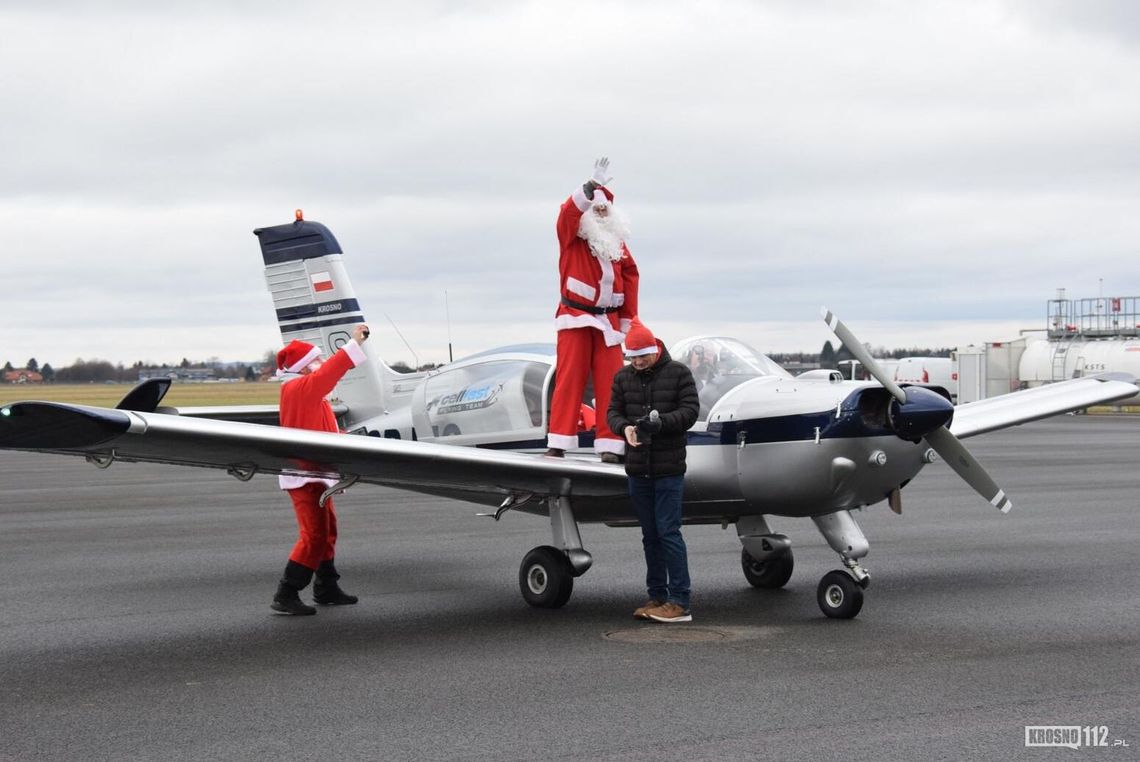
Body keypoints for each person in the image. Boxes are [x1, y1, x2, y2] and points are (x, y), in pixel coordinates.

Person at [270, 324, 370, 615]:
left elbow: (323, 427)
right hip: (304, 476)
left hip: (317, 474)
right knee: (314, 536)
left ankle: (326, 587)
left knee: (328, 531)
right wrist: (354, 343)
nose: (319, 364)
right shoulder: (299, 388)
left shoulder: (305, 390)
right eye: (314, 360)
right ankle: (286, 592)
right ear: (302, 367)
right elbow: (330, 372)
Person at [547, 157, 640, 463]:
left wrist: (628, 321)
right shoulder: (571, 239)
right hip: (575, 317)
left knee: (611, 384)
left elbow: (631, 277)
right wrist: (590, 187)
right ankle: (559, 441)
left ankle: (610, 444)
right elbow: (567, 214)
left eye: (604, 208)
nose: (600, 212)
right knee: (570, 378)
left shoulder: (617, 245)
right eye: (595, 207)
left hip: (609, 322)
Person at [607, 319, 700, 623]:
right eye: (632, 357)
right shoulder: (623, 377)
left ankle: (680, 601)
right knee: (650, 535)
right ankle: (657, 595)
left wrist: (661, 424)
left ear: (655, 349)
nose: (637, 362)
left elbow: (690, 412)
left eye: (642, 356)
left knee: (668, 532)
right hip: (638, 468)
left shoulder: (679, 373)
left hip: (668, 467)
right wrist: (626, 428)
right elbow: (612, 413)